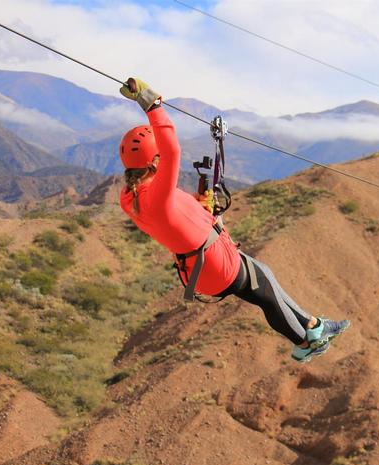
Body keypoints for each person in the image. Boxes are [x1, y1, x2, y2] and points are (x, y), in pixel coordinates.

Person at [117, 77, 349, 363]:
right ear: (153, 162)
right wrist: (151, 105)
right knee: (266, 293)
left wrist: (200, 207)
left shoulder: (133, 196)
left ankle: (314, 327)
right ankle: (305, 342)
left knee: (264, 276)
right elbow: (173, 150)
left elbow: (175, 216)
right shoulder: (156, 196)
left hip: (201, 265)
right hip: (213, 263)